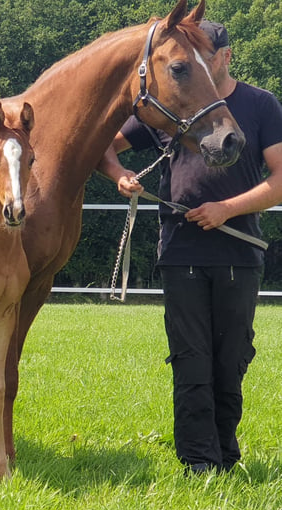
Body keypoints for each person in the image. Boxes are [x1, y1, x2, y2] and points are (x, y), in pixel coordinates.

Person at [97, 20, 282, 474]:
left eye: (207, 56)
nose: (198, 66)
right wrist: (120, 175)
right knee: (190, 356)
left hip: (239, 251)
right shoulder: (173, 100)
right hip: (180, 249)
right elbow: (104, 146)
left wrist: (227, 209)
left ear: (225, 56)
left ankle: (225, 454)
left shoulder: (260, 105)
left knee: (232, 355)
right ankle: (199, 462)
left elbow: (280, 181)